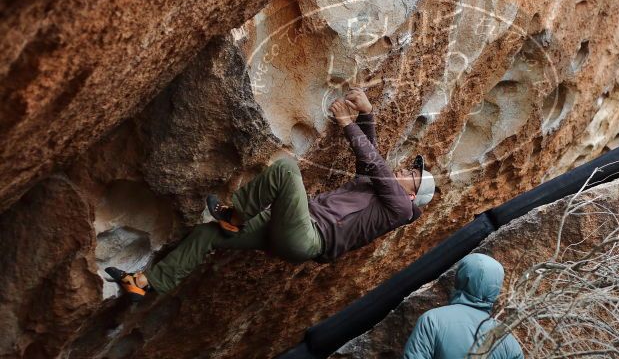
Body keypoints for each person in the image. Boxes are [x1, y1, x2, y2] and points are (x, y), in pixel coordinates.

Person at [105, 88, 436, 300]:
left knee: (286, 170)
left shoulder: (399, 210)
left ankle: (235, 215)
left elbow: (372, 161)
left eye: (412, 176)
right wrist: (366, 114)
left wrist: (348, 123)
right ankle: (146, 283)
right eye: (411, 168)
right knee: (208, 234)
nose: (405, 170)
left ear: (411, 198)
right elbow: (371, 158)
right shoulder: (382, 195)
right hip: (291, 228)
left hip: (307, 236)